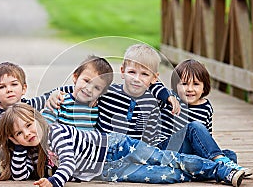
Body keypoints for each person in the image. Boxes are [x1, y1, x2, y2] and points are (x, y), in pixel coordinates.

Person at [0, 103, 246, 187]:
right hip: (107, 172)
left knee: (165, 159)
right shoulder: (30, 148)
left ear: (37, 119)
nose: (27, 133)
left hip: (117, 147)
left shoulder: (55, 133)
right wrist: (15, 148)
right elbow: (20, 176)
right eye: (18, 134)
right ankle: (205, 168)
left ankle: (221, 169)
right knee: (164, 176)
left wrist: (54, 182)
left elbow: (68, 163)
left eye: (28, 125)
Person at [47, 43, 180, 146]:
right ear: (122, 71)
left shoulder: (155, 100)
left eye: (144, 74)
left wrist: (167, 95)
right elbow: (82, 88)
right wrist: (55, 94)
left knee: (192, 131)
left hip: (143, 152)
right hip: (109, 152)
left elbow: (176, 99)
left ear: (154, 78)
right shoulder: (107, 92)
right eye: (132, 72)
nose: (137, 78)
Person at [158, 59, 252, 176]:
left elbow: (206, 138)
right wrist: (167, 96)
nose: (190, 89)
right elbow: (153, 91)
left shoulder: (206, 107)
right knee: (194, 126)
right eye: (184, 84)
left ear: (204, 87)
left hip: (190, 153)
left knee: (230, 154)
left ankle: (206, 166)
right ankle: (218, 165)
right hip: (168, 150)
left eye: (196, 84)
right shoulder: (170, 100)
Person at [42, 55, 113, 131]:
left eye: (97, 88)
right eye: (86, 81)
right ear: (75, 77)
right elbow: (43, 128)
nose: (89, 89)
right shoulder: (59, 102)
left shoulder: (97, 108)